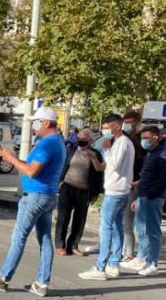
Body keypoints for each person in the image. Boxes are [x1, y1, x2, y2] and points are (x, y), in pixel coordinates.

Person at [0, 107, 66, 297]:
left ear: (45, 123)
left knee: (19, 236)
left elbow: (32, 171)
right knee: (44, 239)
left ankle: (3, 278)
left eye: (35, 122)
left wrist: (10, 159)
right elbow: (33, 166)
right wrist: (14, 159)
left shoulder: (47, 144)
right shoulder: (58, 142)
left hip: (35, 196)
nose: (33, 126)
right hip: (48, 195)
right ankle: (41, 283)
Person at [79, 113, 135, 281]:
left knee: (106, 229)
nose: (104, 131)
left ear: (117, 126)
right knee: (117, 227)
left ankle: (100, 266)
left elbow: (115, 165)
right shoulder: (120, 143)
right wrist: (95, 157)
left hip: (116, 192)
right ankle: (113, 264)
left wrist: (105, 148)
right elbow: (104, 167)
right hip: (118, 190)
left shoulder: (121, 143)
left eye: (106, 127)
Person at [122, 126, 166, 276]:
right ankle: (142, 259)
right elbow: (147, 176)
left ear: (155, 137)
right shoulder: (151, 153)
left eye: (146, 138)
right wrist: (139, 197)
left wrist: (150, 195)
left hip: (153, 198)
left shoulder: (164, 153)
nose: (143, 141)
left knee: (153, 232)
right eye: (142, 138)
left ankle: (153, 263)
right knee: (142, 230)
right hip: (144, 196)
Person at [55, 128, 105, 256]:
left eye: (84, 139)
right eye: (79, 138)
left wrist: (96, 193)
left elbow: (99, 173)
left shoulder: (95, 154)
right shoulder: (70, 149)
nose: (81, 141)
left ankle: (73, 245)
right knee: (63, 217)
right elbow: (61, 165)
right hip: (67, 187)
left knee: (80, 220)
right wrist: (60, 181)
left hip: (84, 191)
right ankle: (60, 245)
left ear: (90, 140)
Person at [121, 110, 146, 262]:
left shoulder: (140, 140)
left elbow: (143, 163)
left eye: (129, 122)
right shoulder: (126, 138)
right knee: (124, 221)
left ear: (137, 121)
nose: (127, 125)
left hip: (135, 184)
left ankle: (131, 254)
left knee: (133, 222)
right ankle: (126, 250)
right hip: (125, 183)